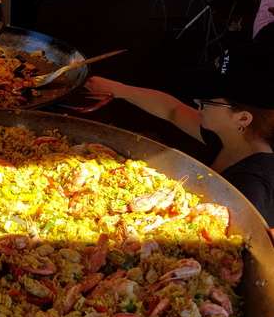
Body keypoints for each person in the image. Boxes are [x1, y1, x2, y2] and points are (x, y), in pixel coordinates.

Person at [86, 43, 274, 225]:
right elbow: (172, 110)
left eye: (208, 100)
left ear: (242, 118)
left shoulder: (252, 184)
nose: (196, 100)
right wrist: (118, 89)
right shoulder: (232, 136)